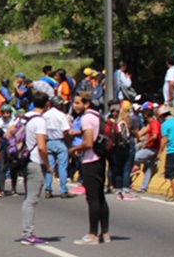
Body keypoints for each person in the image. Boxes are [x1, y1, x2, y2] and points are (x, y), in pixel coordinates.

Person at [69, 95, 109, 245]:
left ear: (86, 104)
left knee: (92, 198)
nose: (74, 106)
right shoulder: (98, 116)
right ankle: (105, 232)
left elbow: (88, 143)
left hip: (91, 160)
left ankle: (92, 234)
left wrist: (75, 149)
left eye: (78, 103)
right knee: (100, 197)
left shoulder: (86, 118)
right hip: (100, 159)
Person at [20, 92, 49, 246]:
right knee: (31, 199)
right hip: (35, 161)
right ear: (47, 104)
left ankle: (27, 232)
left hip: (24, 161)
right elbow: (42, 147)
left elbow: (8, 134)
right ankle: (28, 233)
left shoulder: (24, 117)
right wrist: (48, 165)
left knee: (28, 198)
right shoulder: (40, 121)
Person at [42, 96, 71, 199]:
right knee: (62, 166)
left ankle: (48, 189)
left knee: (49, 167)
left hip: (49, 142)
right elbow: (65, 131)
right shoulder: (61, 115)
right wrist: (69, 143)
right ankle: (63, 190)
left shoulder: (45, 115)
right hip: (60, 141)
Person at [157, 106, 174, 202]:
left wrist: (160, 152)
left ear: (161, 116)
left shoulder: (165, 124)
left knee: (172, 175)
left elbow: (164, 139)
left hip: (172, 151)